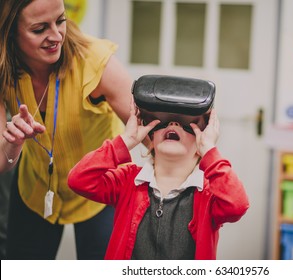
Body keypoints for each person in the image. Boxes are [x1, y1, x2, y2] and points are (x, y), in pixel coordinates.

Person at [0, 0, 134, 259]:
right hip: (35, 187)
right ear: (10, 31)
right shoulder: (3, 69)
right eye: (39, 29)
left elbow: (152, 131)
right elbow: (1, 161)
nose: (56, 36)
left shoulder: (95, 61)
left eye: (60, 20)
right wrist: (13, 144)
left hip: (101, 189)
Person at [67, 101, 250, 260]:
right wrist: (126, 140)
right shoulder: (128, 181)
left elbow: (237, 205)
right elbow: (79, 180)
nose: (173, 122)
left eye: (187, 124)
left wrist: (210, 151)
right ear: (151, 139)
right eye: (163, 122)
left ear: (199, 146)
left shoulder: (209, 194)